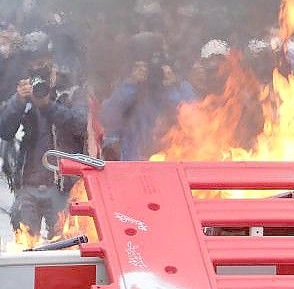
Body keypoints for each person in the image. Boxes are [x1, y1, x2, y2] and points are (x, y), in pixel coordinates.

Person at [0, 31, 87, 237]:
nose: (38, 66)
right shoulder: (23, 95)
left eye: (42, 60)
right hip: (26, 186)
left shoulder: (70, 92)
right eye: (33, 61)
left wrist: (48, 106)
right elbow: (5, 131)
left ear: (52, 60)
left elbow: (79, 125)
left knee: (65, 244)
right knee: (24, 246)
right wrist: (18, 103)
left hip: (61, 186)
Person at [101, 32, 195, 161]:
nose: (154, 66)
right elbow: (108, 119)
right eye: (147, 63)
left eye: (160, 59)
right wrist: (132, 85)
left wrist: (170, 89)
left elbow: (194, 124)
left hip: (172, 164)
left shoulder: (180, 86)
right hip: (134, 166)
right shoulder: (125, 88)